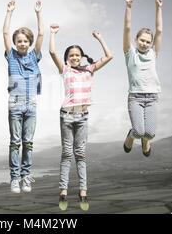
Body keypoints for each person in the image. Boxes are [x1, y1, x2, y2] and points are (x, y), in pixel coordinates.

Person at [49, 24, 113, 211]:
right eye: (71, 55)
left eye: (78, 54)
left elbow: (109, 56)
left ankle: (83, 191)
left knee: (81, 154)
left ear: (82, 56)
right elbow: (52, 52)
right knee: (67, 154)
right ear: (67, 59)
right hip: (67, 117)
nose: (75, 57)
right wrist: (53, 34)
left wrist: (100, 38)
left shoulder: (89, 70)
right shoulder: (65, 70)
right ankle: (63, 191)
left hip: (83, 117)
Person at [3, 0, 44, 193]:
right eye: (19, 40)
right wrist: (9, 12)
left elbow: (42, 34)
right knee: (15, 142)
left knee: (28, 142)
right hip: (15, 103)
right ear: (15, 43)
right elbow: (4, 33)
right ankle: (14, 178)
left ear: (29, 42)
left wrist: (38, 13)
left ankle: (26, 176)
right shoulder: (11, 56)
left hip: (31, 104)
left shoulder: (35, 56)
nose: (22, 43)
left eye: (25, 41)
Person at [122, 0, 163, 157]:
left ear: (151, 44)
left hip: (152, 97)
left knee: (150, 134)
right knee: (138, 131)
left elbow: (159, 30)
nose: (145, 43)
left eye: (148, 41)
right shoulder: (129, 53)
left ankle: (146, 139)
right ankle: (132, 135)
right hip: (136, 97)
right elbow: (127, 28)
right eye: (142, 40)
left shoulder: (153, 54)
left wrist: (158, 7)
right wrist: (129, 6)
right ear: (136, 40)